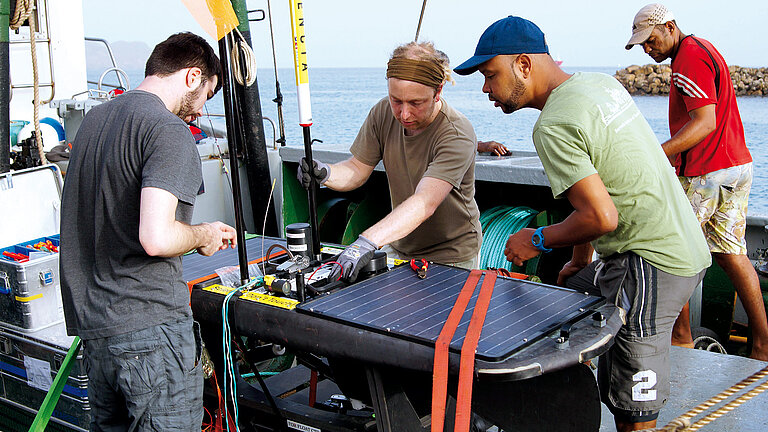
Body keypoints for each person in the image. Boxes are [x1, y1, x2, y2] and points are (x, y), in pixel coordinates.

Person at [454, 16, 711, 432]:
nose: (485, 89)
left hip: (651, 262)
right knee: (566, 299)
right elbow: (597, 191)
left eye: (489, 75)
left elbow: (600, 216)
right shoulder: (598, 85)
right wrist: (578, 260)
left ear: (523, 64)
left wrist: (535, 239)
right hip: (680, 242)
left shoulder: (552, 125)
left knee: (634, 407)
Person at [60, 32, 237, 430]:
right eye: (206, 94)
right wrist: (203, 235)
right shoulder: (168, 130)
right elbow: (155, 238)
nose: (199, 110)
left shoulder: (94, 122)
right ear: (193, 76)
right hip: (149, 332)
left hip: (97, 334)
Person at [625, 3, 768, 361]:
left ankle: (681, 338)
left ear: (670, 27)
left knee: (674, 251)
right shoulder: (702, 49)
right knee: (732, 253)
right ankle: (763, 345)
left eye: (650, 39)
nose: (647, 48)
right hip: (737, 166)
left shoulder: (688, 58)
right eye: (641, 43)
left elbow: (704, 122)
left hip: (708, 172)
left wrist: (659, 152)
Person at [298, 41, 481, 281]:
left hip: (451, 256)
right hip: (400, 245)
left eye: (416, 103)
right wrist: (326, 173)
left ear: (438, 91)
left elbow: (425, 202)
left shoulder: (456, 132)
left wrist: (366, 242)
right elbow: (357, 168)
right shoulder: (382, 113)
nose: (404, 114)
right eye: (396, 100)